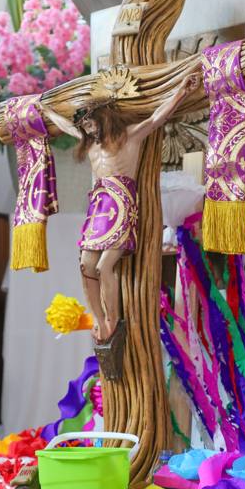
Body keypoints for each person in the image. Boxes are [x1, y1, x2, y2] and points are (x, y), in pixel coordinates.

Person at [43, 72, 199, 343]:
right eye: (85, 126)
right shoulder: (90, 144)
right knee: (86, 264)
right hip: (98, 205)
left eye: (91, 123)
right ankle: (98, 318)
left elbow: (156, 118)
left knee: (104, 266)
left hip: (121, 203)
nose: (89, 130)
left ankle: (112, 319)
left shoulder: (129, 136)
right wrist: (45, 110)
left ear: (103, 118)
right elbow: (67, 126)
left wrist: (182, 91)